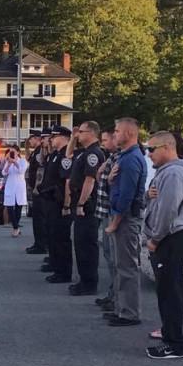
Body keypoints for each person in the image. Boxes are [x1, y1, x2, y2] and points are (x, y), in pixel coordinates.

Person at [143, 131, 183, 359]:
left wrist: (155, 238)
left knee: (170, 292)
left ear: (166, 147)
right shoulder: (166, 173)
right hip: (168, 237)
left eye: (152, 149)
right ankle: (169, 335)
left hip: (170, 238)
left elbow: (168, 211)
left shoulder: (173, 173)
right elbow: (156, 201)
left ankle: (174, 343)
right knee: (166, 290)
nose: (149, 154)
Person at [104, 118, 147, 326]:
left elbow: (127, 196)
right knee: (119, 265)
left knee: (127, 267)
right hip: (121, 216)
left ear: (129, 133)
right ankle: (121, 308)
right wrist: (110, 180)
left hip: (126, 219)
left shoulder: (131, 159)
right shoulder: (125, 156)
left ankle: (129, 313)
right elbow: (119, 188)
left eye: (118, 130)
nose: (115, 134)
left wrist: (115, 221)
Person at [67, 121, 105, 296]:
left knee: (86, 245)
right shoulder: (85, 152)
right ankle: (84, 280)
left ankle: (89, 283)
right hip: (79, 202)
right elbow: (68, 155)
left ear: (91, 133)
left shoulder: (94, 154)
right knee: (80, 244)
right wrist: (73, 138)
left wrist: (82, 203)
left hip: (87, 205)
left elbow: (89, 180)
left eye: (81, 132)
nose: (78, 134)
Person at [40, 126, 73, 283]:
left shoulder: (65, 155)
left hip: (59, 201)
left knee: (61, 238)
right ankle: (55, 264)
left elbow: (67, 181)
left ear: (63, 137)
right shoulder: (55, 154)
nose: (51, 139)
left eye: (54, 136)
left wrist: (66, 204)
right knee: (53, 235)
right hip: (50, 200)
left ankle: (63, 271)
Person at [94, 128, 118, 311]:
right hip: (105, 210)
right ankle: (113, 294)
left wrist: (108, 178)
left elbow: (118, 187)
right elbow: (99, 177)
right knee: (109, 256)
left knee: (117, 261)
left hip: (113, 212)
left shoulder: (122, 158)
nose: (102, 143)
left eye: (105, 139)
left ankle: (118, 299)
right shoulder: (110, 157)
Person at [25, 130, 47, 254]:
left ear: (37, 138)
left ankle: (41, 244)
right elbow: (29, 159)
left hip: (39, 190)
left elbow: (40, 168)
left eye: (31, 139)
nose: (30, 141)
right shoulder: (36, 151)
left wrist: (36, 187)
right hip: (35, 189)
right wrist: (27, 148)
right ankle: (38, 243)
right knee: (36, 219)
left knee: (40, 219)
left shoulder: (40, 151)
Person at [2, 145, 28, 237]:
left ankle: (15, 228)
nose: (12, 154)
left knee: (18, 208)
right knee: (9, 207)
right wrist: (9, 163)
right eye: (10, 152)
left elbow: (21, 171)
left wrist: (15, 162)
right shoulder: (8, 161)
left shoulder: (23, 161)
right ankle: (16, 227)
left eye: (13, 152)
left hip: (20, 187)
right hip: (10, 185)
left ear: (18, 152)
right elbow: (4, 173)